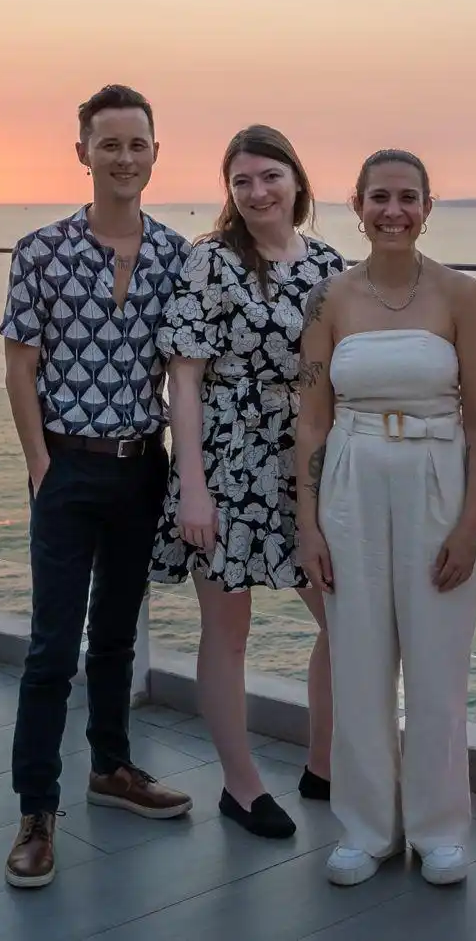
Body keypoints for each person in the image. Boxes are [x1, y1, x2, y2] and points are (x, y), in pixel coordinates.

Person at [0, 84, 194, 888]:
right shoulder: (39, 251)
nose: (123, 157)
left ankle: (111, 768)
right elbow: (20, 368)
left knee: (116, 635)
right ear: (82, 152)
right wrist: (40, 465)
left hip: (142, 464)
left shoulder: (177, 255)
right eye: (108, 143)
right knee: (52, 646)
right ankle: (36, 810)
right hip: (67, 466)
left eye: (136, 144)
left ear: (155, 154)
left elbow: (186, 369)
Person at [295, 149, 476, 888]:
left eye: (408, 197)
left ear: (427, 206)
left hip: (437, 478)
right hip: (350, 479)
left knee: (438, 663)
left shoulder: (461, 294)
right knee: (357, 660)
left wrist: (471, 523)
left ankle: (440, 828)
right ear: (357, 205)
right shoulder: (329, 299)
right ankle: (365, 827)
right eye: (379, 197)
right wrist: (308, 524)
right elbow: (311, 420)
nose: (393, 211)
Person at [148, 124, 346, 839]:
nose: (258, 192)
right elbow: (184, 380)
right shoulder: (213, 262)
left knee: (343, 619)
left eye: (270, 176)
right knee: (228, 630)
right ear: (229, 193)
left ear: (297, 181)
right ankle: (241, 784)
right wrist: (192, 485)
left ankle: (323, 764)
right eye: (242, 181)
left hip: (306, 461)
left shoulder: (328, 263)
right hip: (228, 460)